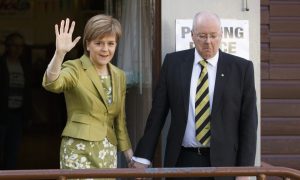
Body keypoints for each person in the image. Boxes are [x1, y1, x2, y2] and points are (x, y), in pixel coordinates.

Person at [130, 11, 258, 180]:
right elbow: (157, 114)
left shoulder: (241, 69)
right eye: (202, 36)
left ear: (221, 35)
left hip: (225, 163)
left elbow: (249, 123)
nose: (208, 42)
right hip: (182, 160)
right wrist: (142, 156)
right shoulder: (173, 63)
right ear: (192, 35)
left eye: (213, 36)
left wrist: (245, 170)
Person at [42, 14, 133, 174]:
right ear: (88, 44)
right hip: (78, 150)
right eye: (99, 43)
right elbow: (52, 84)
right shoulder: (75, 68)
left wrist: (129, 156)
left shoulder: (119, 75)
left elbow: (120, 120)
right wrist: (59, 54)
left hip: (107, 151)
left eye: (110, 43)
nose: (105, 49)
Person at [0, 32, 31, 169]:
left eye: (21, 46)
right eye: (14, 45)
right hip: (1, 114)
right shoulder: (1, 64)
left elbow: (28, 92)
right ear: (7, 46)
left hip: (17, 114)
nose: (18, 49)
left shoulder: (24, 65)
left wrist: (28, 115)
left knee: (13, 151)